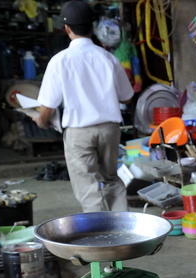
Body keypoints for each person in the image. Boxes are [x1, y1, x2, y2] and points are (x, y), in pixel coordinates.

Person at [34, 0, 134, 212]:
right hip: (109, 129)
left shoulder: (60, 61)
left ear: (66, 28)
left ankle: (100, 236)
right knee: (111, 179)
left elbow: (48, 106)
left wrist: (41, 121)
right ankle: (123, 231)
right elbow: (126, 97)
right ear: (93, 27)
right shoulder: (109, 58)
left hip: (79, 132)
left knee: (88, 188)